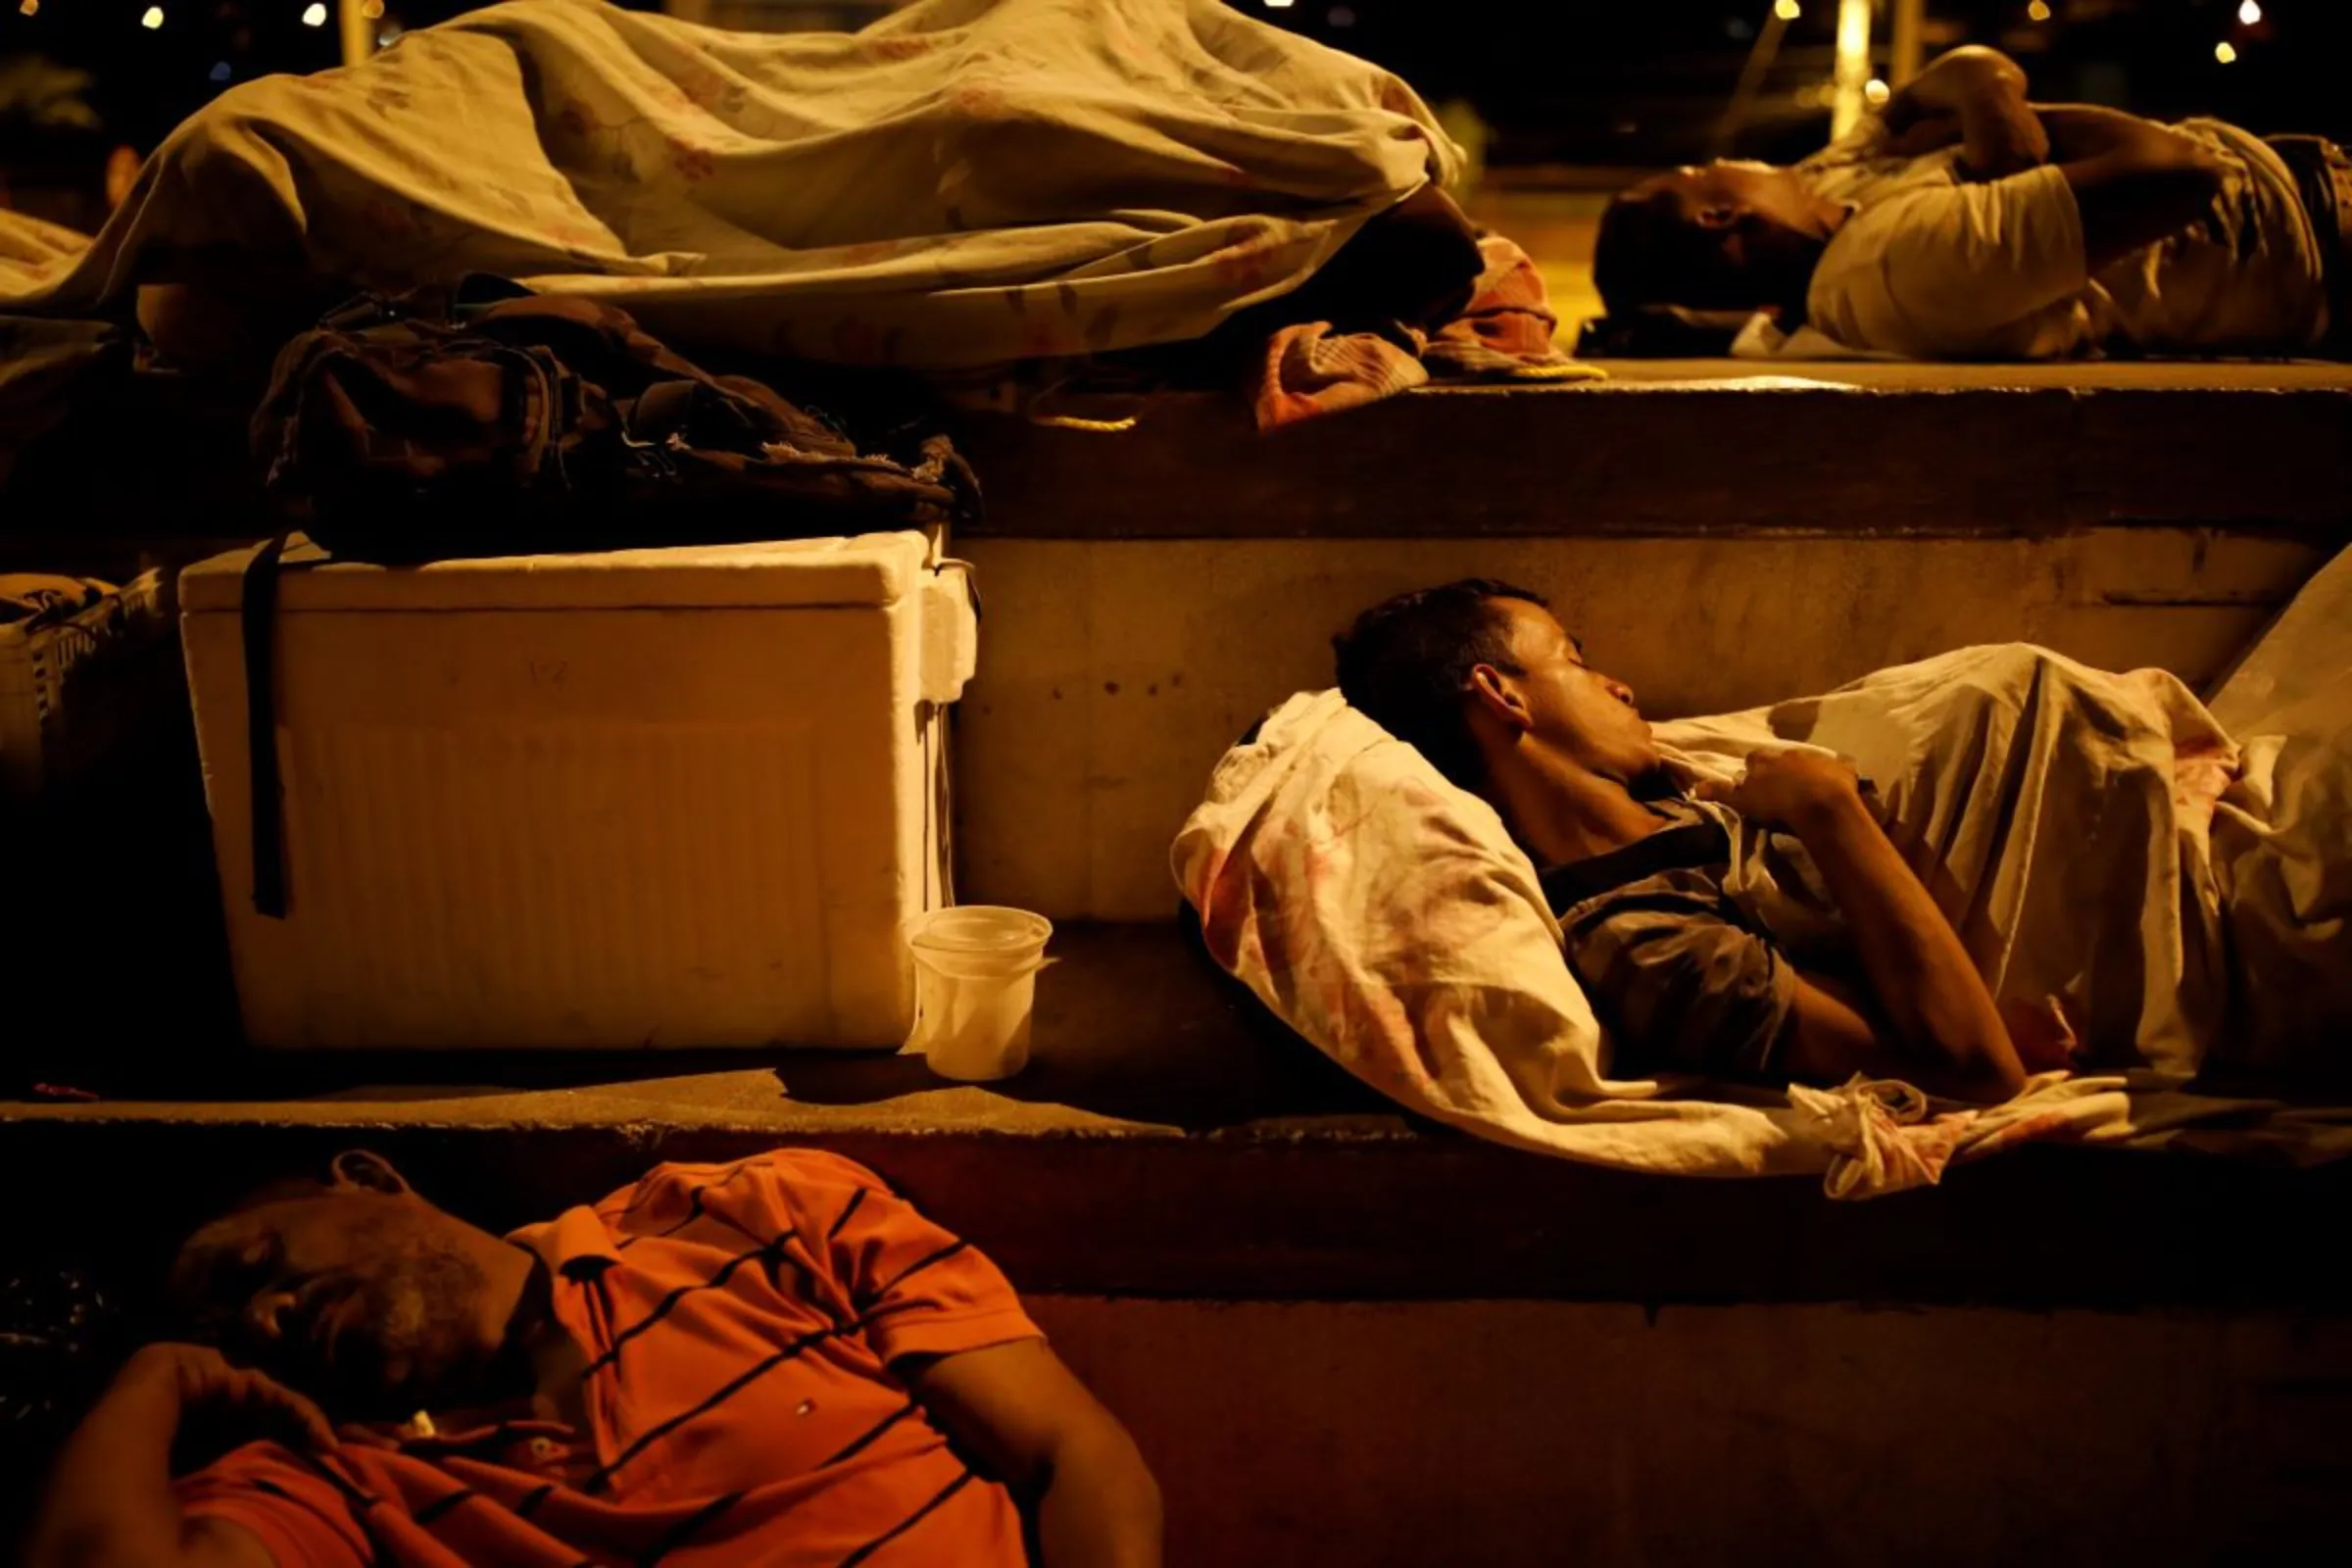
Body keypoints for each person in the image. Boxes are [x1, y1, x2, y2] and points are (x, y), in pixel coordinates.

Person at [26, 1149, 1161, 1568]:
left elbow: (1075, 1459)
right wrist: (153, 1379)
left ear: (367, 1179)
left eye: (255, 1264)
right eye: (225, 1330)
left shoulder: (749, 1213)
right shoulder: (341, 1479)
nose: (264, 1317)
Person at [1332, 579, 2040, 1105]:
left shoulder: (1682, 793)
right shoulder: (1648, 944)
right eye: (1574, 662)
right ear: (1503, 695)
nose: (1620, 687)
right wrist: (1829, 807)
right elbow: (1974, 1071)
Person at [1592, 44, 2349, 360]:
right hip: (2325, 247)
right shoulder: (1891, 268)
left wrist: (1987, 93)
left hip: (2311, 181)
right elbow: (2185, 169)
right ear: (1719, 216)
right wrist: (1998, 117)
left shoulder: (1827, 189)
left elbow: (1961, 70)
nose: (1730, 156)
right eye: (1705, 166)